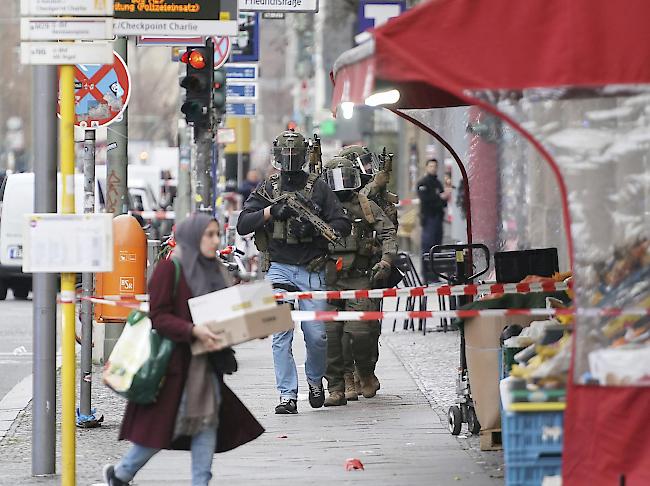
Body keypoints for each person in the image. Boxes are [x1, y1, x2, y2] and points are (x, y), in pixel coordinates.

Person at [103, 213, 264, 486]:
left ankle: (197, 481)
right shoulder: (171, 268)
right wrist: (192, 330)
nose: (215, 241)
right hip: (175, 366)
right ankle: (122, 473)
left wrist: (251, 328)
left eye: (217, 235)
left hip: (207, 364)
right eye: (209, 235)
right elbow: (159, 316)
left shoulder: (215, 269)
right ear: (192, 236)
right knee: (169, 425)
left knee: (206, 422)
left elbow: (225, 315)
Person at [236, 129, 351, 415]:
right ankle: (287, 395)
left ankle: (314, 381)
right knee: (280, 333)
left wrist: (312, 230)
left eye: (293, 154)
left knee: (317, 336)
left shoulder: (319, 188)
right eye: (284, 155)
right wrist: (270, 213)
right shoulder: (268, 188)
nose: (288, 160)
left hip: (312, 269)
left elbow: (341, 225)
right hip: (279, 270)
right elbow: (243, 223)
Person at [321, 157, 397, 407]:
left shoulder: (365, 205)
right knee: (332, 337)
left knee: (361, 332)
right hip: (329, 279)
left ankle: (364, 371)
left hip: (360, 278)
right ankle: (339, 385)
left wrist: (385, 260)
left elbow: (387, 232)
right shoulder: (320, 205)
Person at [417, 158, 451, 283]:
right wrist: (439, 197)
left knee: (437, 248)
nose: (433, 168)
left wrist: (442, 198)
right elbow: (426, 200)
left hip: (438, 219)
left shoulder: (438, 183)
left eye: (435, 166)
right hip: (429, 219)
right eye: (431, 166)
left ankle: (435, 275)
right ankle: (426, 276)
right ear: (426, 167)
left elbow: (443, 202)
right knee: (427, 247)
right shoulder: (423, 183)